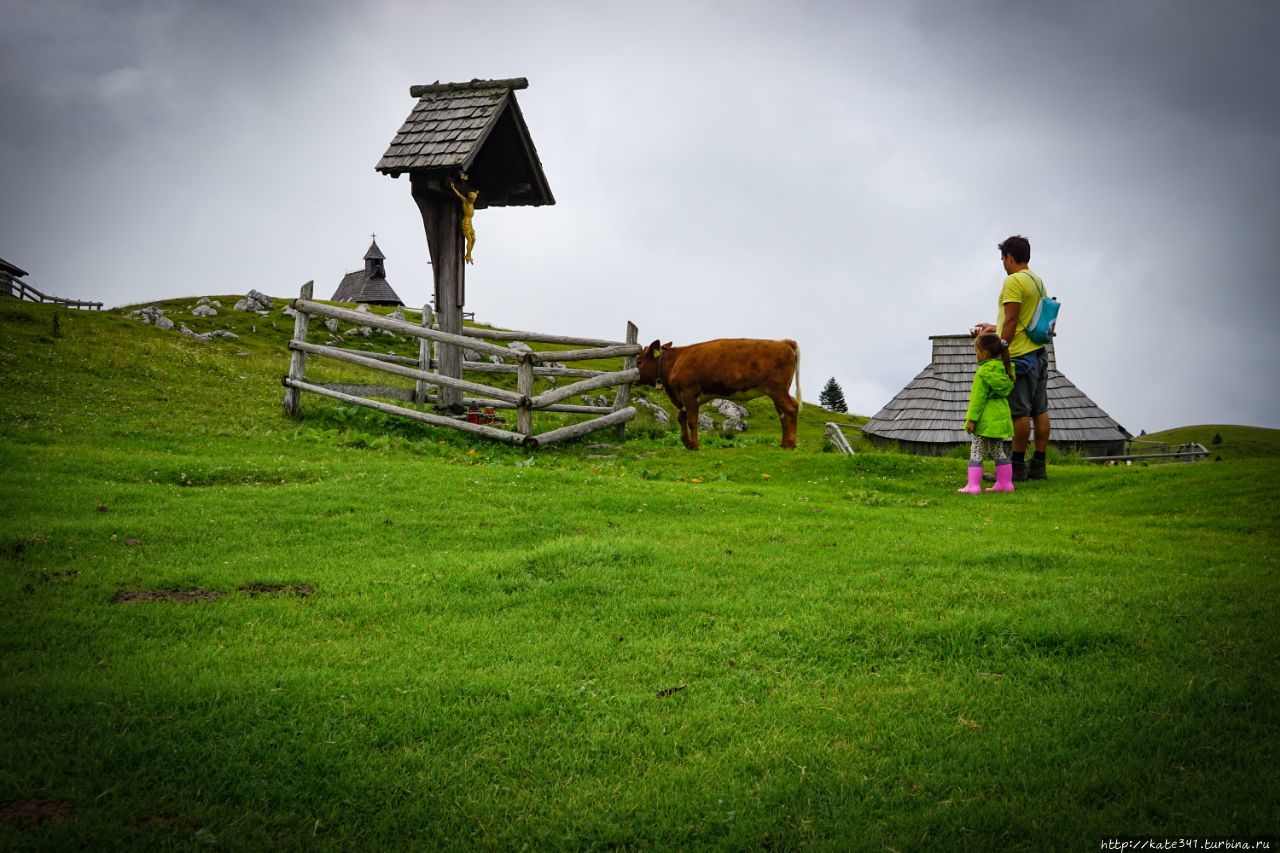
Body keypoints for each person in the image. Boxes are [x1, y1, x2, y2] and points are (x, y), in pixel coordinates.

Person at [972, 234, 1050, 481]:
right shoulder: (1037, 281)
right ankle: (1038, 464)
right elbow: (1023, 320)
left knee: (1019, 413)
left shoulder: (1013, 281)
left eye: (1003, 258)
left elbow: (1014, 319)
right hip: (1038, 352)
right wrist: (993, 326)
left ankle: (1016, 467)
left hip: (1020, 356)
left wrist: (1001, 346)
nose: (1003, 263)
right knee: (1040, 411)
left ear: (1010, 257)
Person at [958, 332, 1015, 493]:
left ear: (983, 353)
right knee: (997, 450)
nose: (976, 354)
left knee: (976, 450)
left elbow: (977, 399)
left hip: (984, 419)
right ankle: (1005, 484)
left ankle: (973, 486)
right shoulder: (1006, 369)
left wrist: (971, 419)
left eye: (976, 351)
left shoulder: (982, 373)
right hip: (1000, 418)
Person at [449, 174, 478, 264]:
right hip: (465, 222)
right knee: (469, 240)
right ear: (469, 198)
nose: (472, 200)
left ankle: (469, 254)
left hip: (470, 223)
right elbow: (458, 194)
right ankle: (468, 255)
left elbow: (475, 194)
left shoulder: (472, 203)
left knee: (474, 239)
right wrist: (453, 187)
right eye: (471, 199)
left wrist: (476, 192)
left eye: (473, 199)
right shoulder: (465, 201)